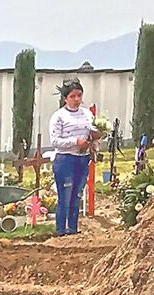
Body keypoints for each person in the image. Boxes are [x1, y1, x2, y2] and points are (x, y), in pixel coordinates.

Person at [49, 80, 95, 236]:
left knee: (77, 195)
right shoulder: (59, 116)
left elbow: (92, 133)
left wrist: (94, 138)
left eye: (79, 95)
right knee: (65, 196)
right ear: (65, 98)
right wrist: (75, 142)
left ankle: (73, 229)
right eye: (72, 96)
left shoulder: (87, 114)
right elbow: (55, 141)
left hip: (82, 159)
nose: (76, 99)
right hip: (65, 160)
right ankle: (61, 230)